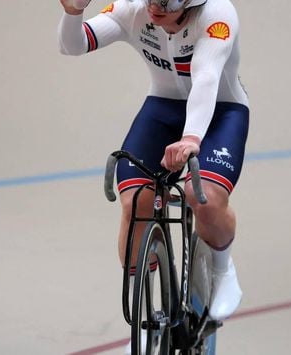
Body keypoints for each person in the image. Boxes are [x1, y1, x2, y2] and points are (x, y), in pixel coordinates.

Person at [57, 0, 249, 346]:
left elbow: (206, 78)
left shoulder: (217, 15)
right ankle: (145, 318)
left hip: (221, 111)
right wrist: (73, 14)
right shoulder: (134, 9)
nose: (154, 8)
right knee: (135, 207)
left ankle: (222, 268)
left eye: (165, 3)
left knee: (202, 195)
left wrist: (191, 139)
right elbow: (74, 46)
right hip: (162, 108)